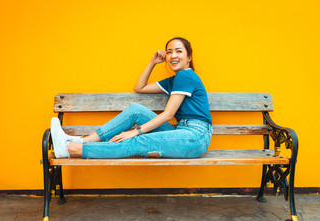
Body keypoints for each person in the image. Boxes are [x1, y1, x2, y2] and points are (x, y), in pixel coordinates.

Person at [51, 37, 213, 159]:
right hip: (183, 132)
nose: (173, 56)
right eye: (169, 52)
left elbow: (168, 115)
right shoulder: (175, 80)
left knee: (139, 140)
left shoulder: (185, 76)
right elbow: (140, 87)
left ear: (189, 57)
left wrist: (135, 132)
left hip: (195, 137)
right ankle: (84, 140)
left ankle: (72, 149)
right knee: (136, 111)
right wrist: (153, 62)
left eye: (179, 51)